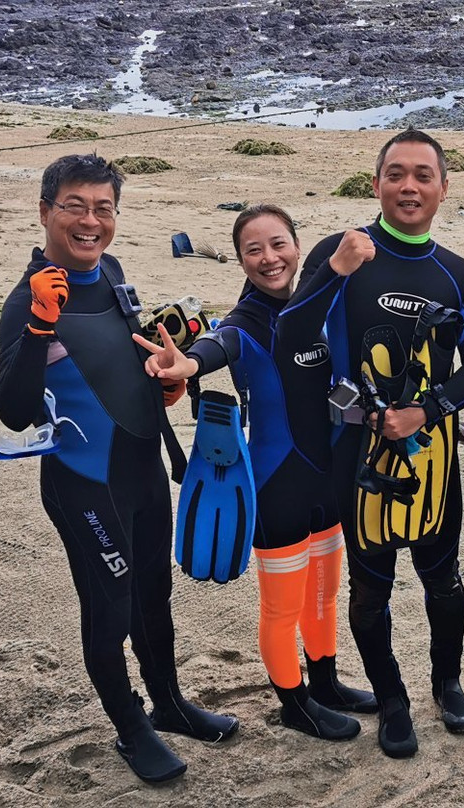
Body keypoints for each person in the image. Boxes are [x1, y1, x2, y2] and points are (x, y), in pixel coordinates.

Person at [0, 154, 238, 784]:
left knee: (155, 598)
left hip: (142, 467)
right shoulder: (29, 299)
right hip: (84, 484)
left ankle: (169, 703)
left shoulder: (115, 272)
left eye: (103, 207)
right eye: (74, 205)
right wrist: (41, 323)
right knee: (112, 606)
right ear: (46, 210)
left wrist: (159, 383)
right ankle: (130, 729)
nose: (90, 221)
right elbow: (15, 412)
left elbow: (112, 363)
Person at [276, 129, 464, 758]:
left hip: (433, 457)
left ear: (443, 188)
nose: (409, 186)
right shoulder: (343, 251)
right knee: (370, 589)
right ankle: (392, 701)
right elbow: (292, 332)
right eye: (396, 174)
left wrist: (427, 410)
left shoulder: (454, 274)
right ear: (376, 184)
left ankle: (447, 683)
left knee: (442, 578)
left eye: (423, 175)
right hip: (359, 455)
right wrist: (335, 270)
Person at [131, 204, 377, 742]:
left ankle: (327, 684)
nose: (269, 259)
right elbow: (213, 349)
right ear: (240, 260)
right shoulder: (244, 325)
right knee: (283, 606)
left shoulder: (322, 302)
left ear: (297, 245)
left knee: (324, 594)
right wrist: (187, 364)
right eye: (253, 250)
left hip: (327, 481)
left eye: (278, 244)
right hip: (275, 486)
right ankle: (295, 704)